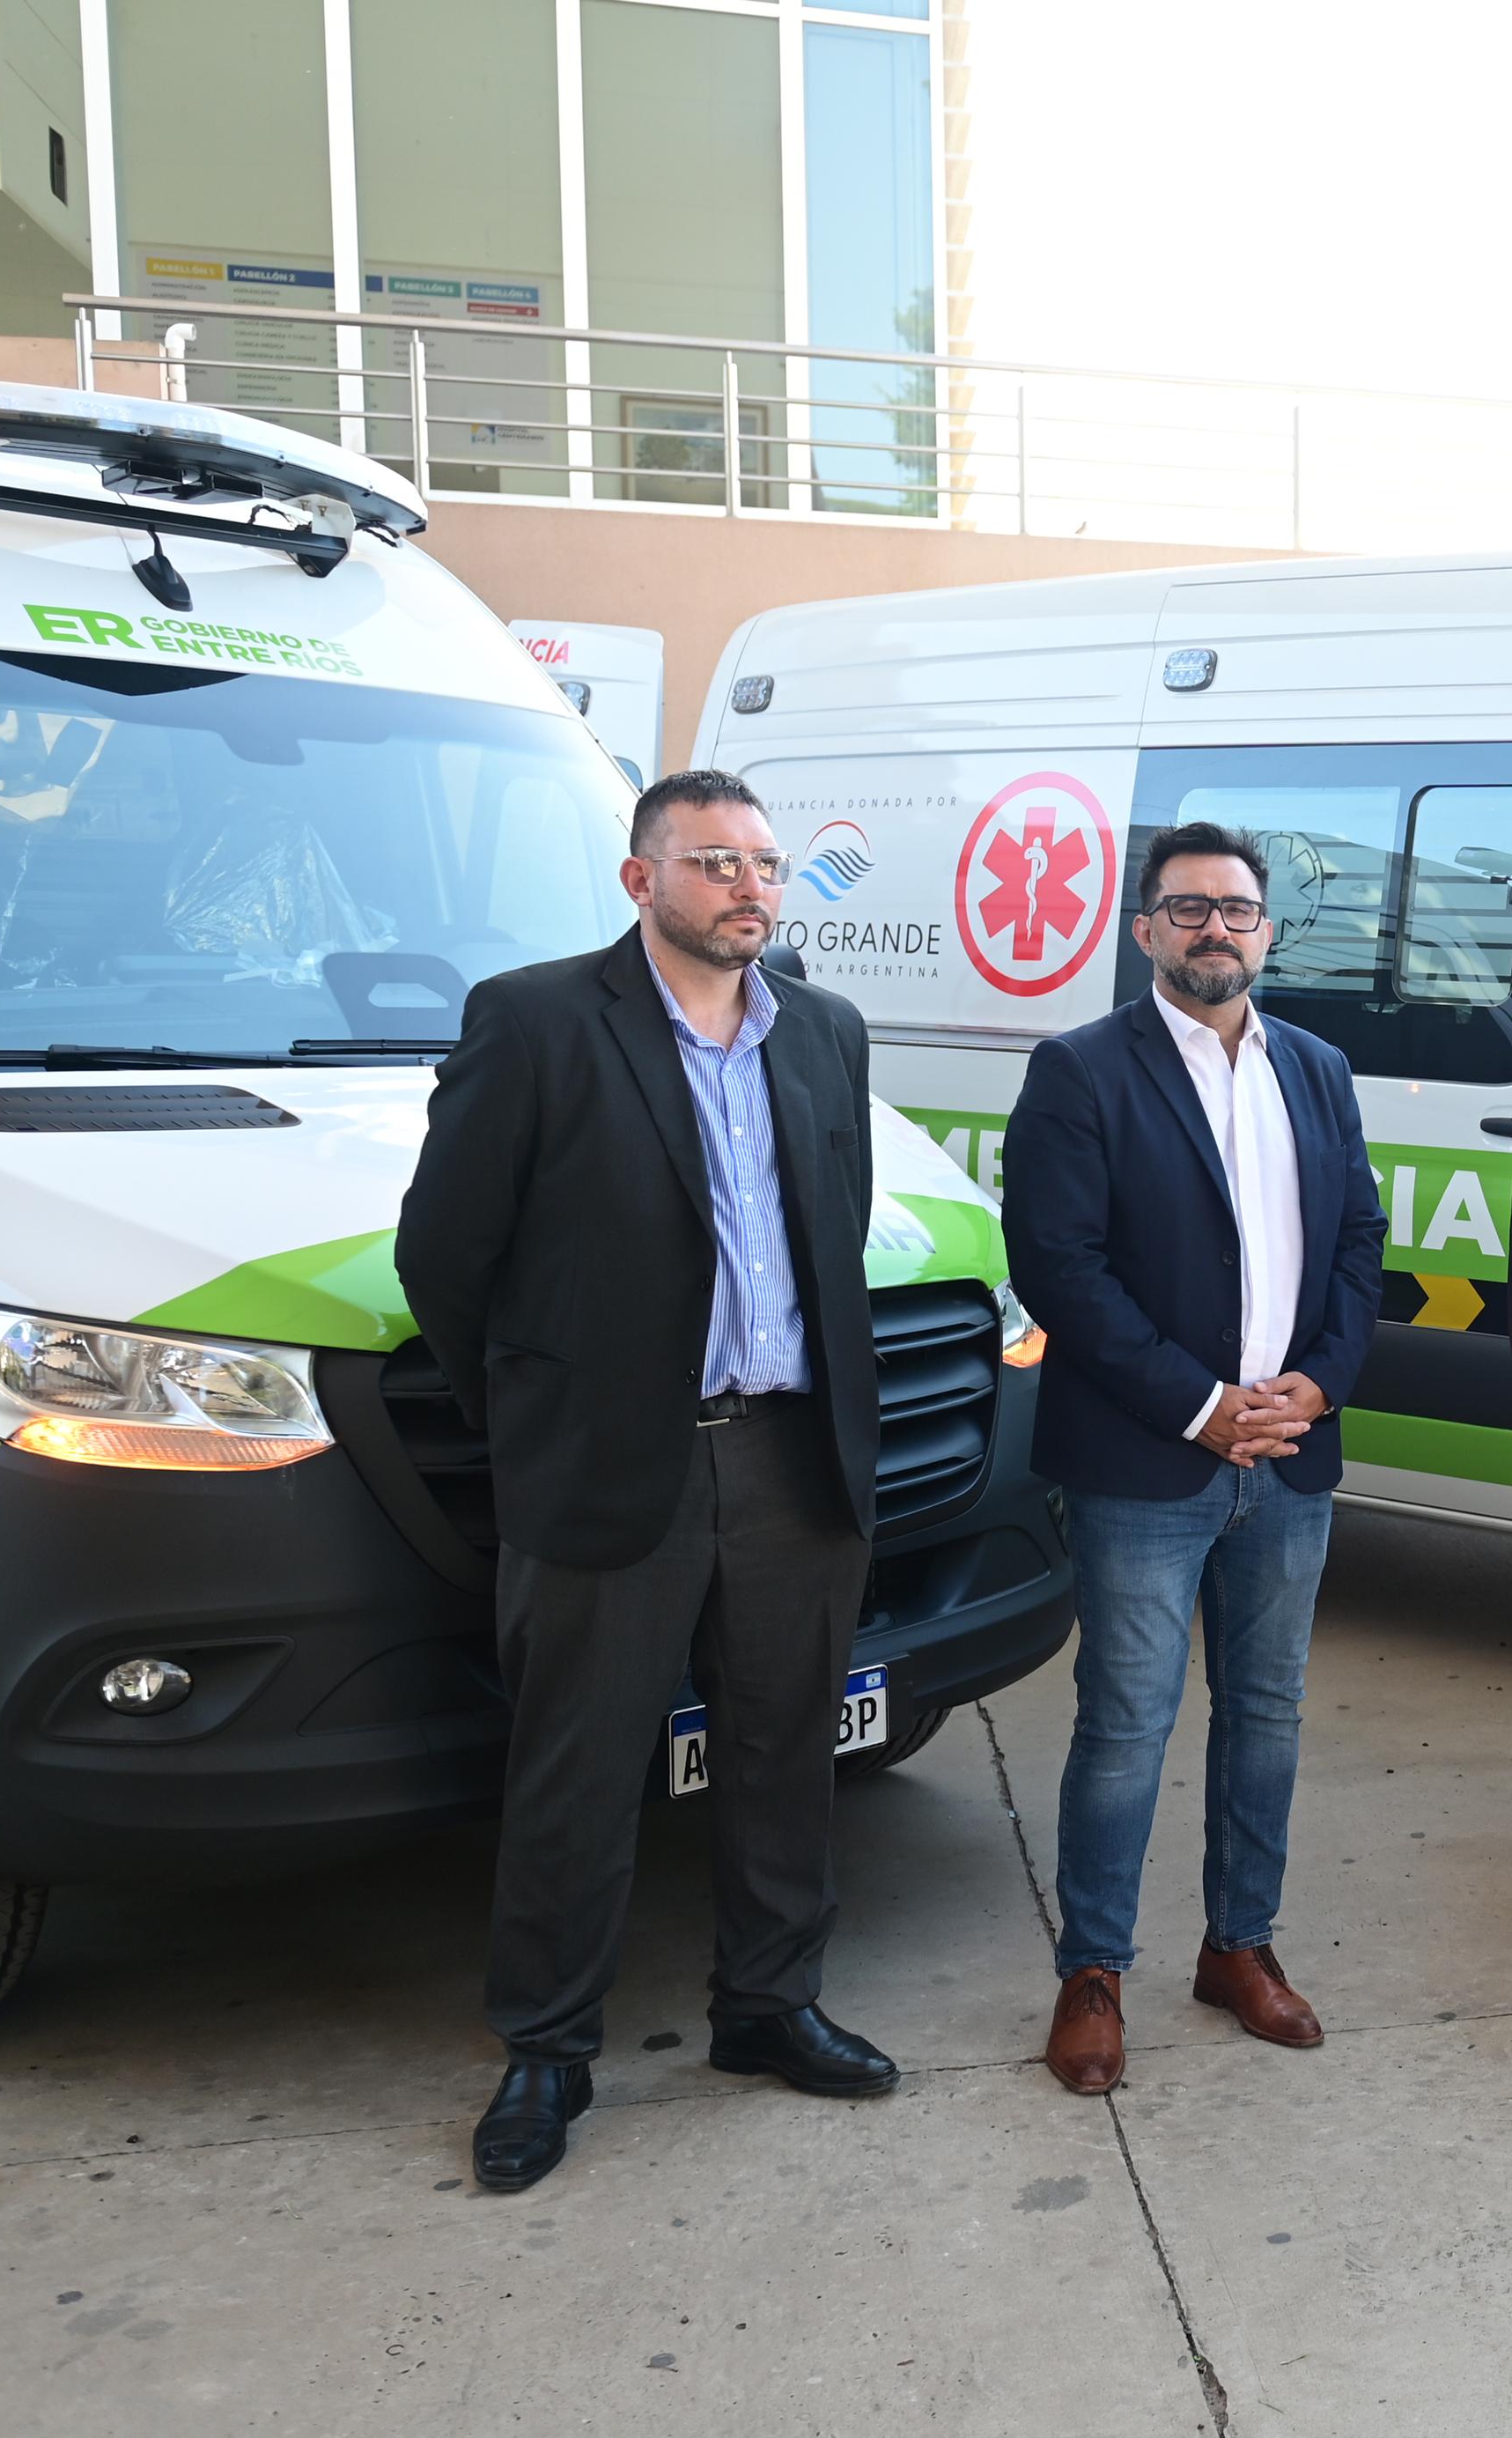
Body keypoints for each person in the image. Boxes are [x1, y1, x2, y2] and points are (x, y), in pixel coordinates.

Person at [400, 770, 900, 2195]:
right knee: (580, 1762)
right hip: (617, 1462)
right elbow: (446, 1254)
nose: (751, 887)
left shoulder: (824, 1031)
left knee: (785, 1749)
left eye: (767, 864)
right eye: (716, 862)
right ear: (641, 880)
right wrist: (540, 1416)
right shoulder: (539, 1021)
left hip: (791, 1455)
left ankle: (768, 2004)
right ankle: (548, 2048)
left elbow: (838, 1222)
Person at [1001, 821, 1388, 2099]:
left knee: (1266, 1714)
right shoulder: (1079, 1070)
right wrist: (1201, 1406)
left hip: (1290, 1459)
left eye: (1236, 909)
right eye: (1187, 907)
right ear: (1144, 929)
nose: (1215, 927)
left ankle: (1239, 1946)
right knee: (1125, 1724)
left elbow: (1359, 1245)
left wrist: (1317, 1384)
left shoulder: (1318, 1069)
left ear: (1267, 932)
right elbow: (1059, 1267)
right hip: (1144, 1466)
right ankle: (1093, 1973)